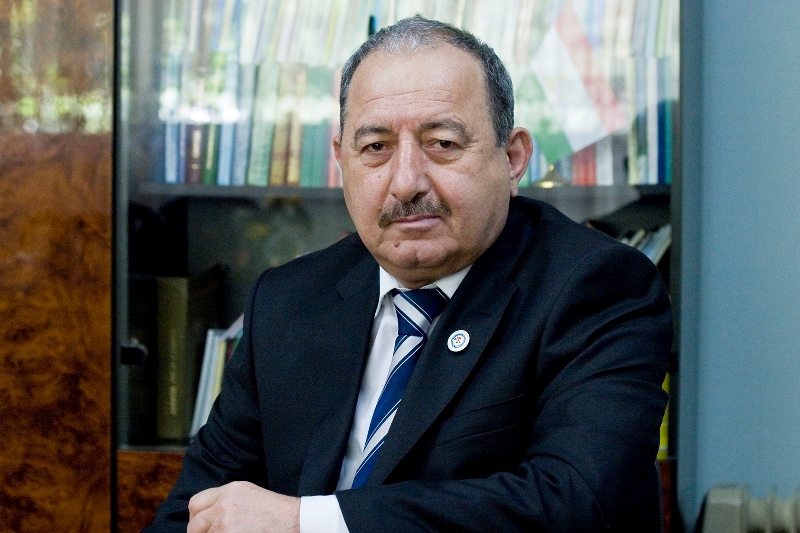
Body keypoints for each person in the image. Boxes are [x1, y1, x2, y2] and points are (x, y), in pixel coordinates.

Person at [146, 16, 671, 533]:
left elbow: (573, 502)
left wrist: (305, 522)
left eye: (442, 143)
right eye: (376, 148)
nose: (405, 182)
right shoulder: (287, 300)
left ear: (513, 159)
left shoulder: (599, 286)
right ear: (342, 161)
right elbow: (193, 513)